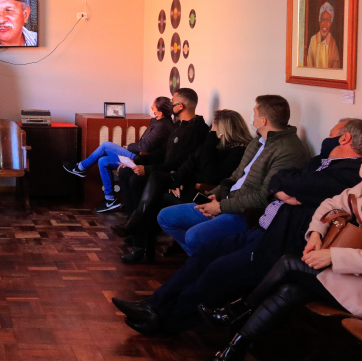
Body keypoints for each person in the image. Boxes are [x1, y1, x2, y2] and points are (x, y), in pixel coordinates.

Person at [112, 118, 362, 335]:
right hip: (261, 228)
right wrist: (284, 189)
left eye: (331, 134)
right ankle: (153, 305)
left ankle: (166, 321)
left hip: (280, 244)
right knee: (205, 253)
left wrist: (285, 188)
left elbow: (293, 183)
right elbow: (278, 179)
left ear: (345, 138)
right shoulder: (320, 163)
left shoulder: (349, 173)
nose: (326, 140)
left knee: (217, 272)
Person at [211, 175, 362, 361]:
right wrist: (315, 234)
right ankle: (232, 351)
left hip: (356, 284)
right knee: (290, 290)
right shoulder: (360, 188)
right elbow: (330, 204)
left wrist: (333, 256)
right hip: (347, 274)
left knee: (288, 263)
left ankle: (239, 310)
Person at [156, 95, 309, 256]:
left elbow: (265, 197)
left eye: (254, 113)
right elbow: (235, 177)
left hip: (245, 214)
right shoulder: (257, 142)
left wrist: (221, 207)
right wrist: (214, 195)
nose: (252, 118)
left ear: (263, 121)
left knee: (193, 236)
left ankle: (205, 264)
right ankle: (203, 260)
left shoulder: (289, 150)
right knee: (166, 217)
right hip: (226, 202)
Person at [117, 109, 251, 263]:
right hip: (187, 186)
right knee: (153, 177)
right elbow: (188, 164)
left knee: (156, 199)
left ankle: (139, 238)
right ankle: (137, 230)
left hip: (203, 193)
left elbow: (211, 177)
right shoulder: (211, 145)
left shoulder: (237, 152)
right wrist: (177, 181)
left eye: (214, 126)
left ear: (223, 129)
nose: (211, 129)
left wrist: (209, 146)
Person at [111, 88, 210, 261]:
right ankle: (135, 230)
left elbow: (180, 162)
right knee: (127, 172)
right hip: (164, 171)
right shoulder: (178, 124)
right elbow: (164, 151)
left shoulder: (197, 129)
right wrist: (139, 161)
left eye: (172, 102)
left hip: (177, 177)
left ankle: (141, 245)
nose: (170, 105)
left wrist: (148, 170)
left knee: (137, 181)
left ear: (180, 105)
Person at [63, 96, 174, 213]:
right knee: (103, 161)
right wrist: (131, 147)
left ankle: (80, 167)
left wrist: (129, 147)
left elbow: (145, 146)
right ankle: (110, 199)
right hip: (137, 153)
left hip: (142, 159)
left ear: (160, 113)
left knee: (106, 145)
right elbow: (144, 142)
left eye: (152, 107)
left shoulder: (163, 126)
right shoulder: (157, 121)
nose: (150, 109)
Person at [306, 1, 341, 69]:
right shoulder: (313, 39)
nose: (325, 23)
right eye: (323, 19)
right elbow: (309, 65)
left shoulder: (332, 42)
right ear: (319, 21)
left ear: (331, 23)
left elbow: (336, 67)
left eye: (328, 20)